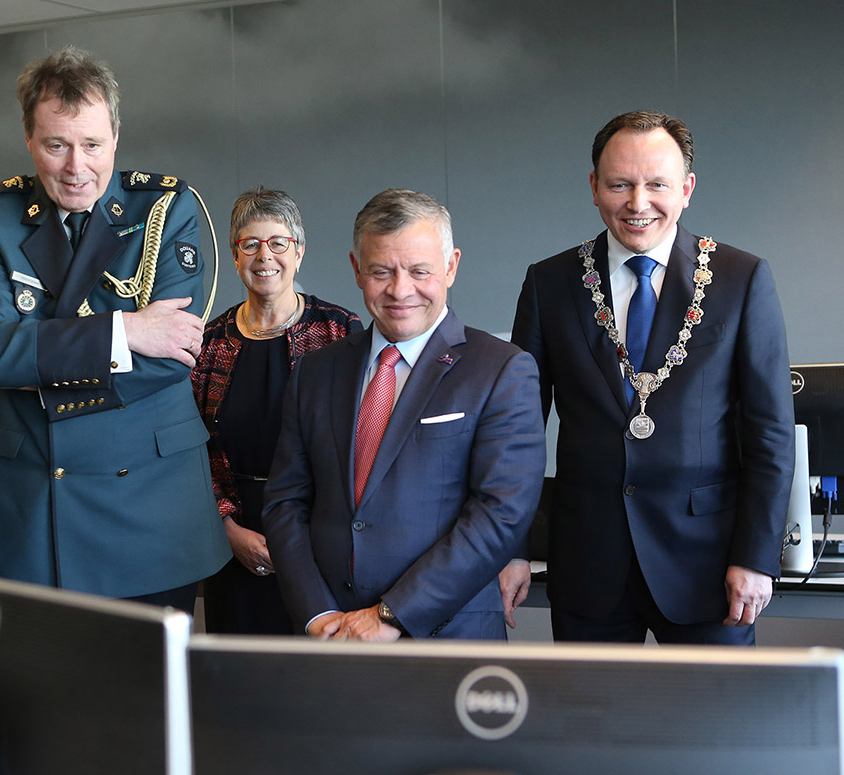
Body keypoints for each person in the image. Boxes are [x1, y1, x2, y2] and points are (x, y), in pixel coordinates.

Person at [0, 46, 229, 611]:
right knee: (41, 694)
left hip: (149, 504)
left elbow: (171, 355)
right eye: (56, 145)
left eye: (92, 145)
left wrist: (35, 360)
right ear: (29, 139)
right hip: (33, 506)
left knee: (151, 695)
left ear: (116, 138)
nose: (76, 167)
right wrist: (122, 333)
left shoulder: (166, 208)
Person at [511, 110, 795, 645]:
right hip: (588, 562)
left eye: (657, 185)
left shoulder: (742, 278)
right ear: (594, 188)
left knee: (713, 725)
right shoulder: (549, 283)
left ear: (686, 189)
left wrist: (758, 556)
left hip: (709, 565)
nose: (638, 204)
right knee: (593, 724)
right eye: (620, 184)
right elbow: (517, 431)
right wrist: (512, 546)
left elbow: (771, 433)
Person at [263, 189, 546, 640]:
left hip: (445, 637)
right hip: (329, 636)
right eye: (381, 271)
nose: (400, 290)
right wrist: (315, 613)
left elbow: (501, 513)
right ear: (357, 269)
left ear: (451, 266)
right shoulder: (317, 371)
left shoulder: (501, 370)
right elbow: (285, 503)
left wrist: (391, 615)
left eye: (419, 271)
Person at [191, 187, 361, 634]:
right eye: (250, 243)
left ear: (299, 252)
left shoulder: (340, 331)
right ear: (234, 255)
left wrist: (304, 537)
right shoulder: (208, 343)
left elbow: (361, 443)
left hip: (320, 537)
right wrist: (225, 528)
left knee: (317, 685)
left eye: (278, 242)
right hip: (232, 540)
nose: (265, 255)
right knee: (239, 682)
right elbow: (189, 450)